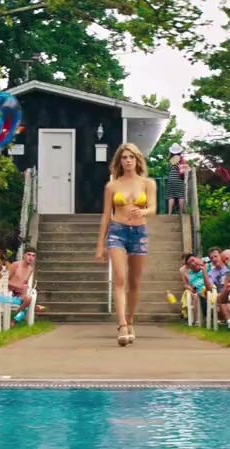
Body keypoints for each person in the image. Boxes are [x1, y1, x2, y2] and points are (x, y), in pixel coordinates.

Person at [95, 142, 158, 346]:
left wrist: (143, 211)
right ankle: (122, 325)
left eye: (131, 157)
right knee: (120, 279)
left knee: (135, 282)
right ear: (119, 161)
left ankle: (130, 320)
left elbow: (153, 208)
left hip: (139, 232)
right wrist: (100, 245)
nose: (128, 160)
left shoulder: (148, 183)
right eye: (124, 157)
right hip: (117, 231)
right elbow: (106, 215)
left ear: (137, 160)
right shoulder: (112, 186)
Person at [207, 247, 230, 327]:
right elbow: (210, 287)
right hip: (222, 294)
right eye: (211, 258)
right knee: (219, 297)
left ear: (221, 256)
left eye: (215, 256)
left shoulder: (229, 266)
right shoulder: (211, 273)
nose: (214, 259)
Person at [165, 146, 187, 215]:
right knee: (181, 195)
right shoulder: (181, 159)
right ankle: (181, 213)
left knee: (171, 196)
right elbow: (185, 169)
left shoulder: (170, 160)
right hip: (179, 179)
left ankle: (169, 213)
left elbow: (168, 169)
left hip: (171, 178)